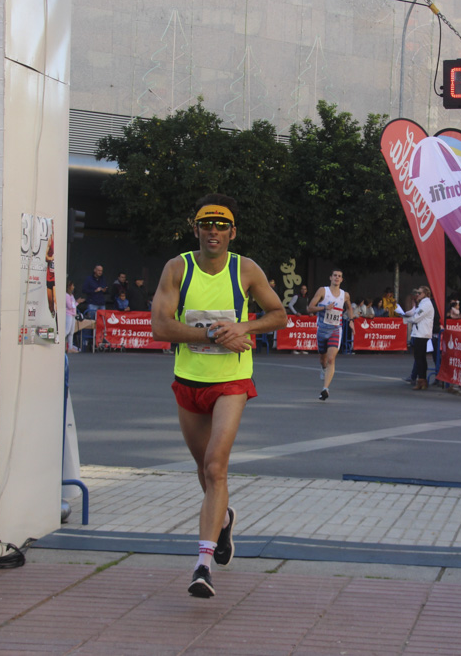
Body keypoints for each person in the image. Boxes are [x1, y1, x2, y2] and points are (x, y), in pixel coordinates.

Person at [149, 194, 286, 600]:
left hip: (231, 381)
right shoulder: (178, 268)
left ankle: (202, 565)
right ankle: (223, 518)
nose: (213, 230)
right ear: (196, 229)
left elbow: (278, 315)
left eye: (221, 224)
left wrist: (243, 328)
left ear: (232, 232)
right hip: (189, 380)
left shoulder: (246, 270)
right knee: (203, 470)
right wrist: (209, 333)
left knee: (215, 467)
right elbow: (160, 326)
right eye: (206, 223)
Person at [307, 269, 350, 401]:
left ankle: (325, 389)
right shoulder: (322, 291)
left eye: (339, 276)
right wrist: (324, 307)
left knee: (331, 358)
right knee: (323, 358)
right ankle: (323, 367)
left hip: (336, 329)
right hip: (322, 329)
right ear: (330, 277)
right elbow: (310, 308)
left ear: (342, 280)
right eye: (335, 276)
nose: (337, 278)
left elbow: (349, 308)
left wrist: (352, 320)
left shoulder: (345, 295)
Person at [402, 285, 435, 390]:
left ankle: (422, 380)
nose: (417, 294)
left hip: (422, 334)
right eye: (417, 293)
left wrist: (405, 318)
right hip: (419, 333)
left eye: (419, 293)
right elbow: (415, 314)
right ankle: (421, 380)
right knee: (419, 357)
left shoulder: (426, 304)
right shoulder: (422, 304)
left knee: (420, 358)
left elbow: (416, 318)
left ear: (425, 294)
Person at [65, 280, 82, 353]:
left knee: (71, 332)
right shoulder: (66, 295)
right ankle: (61, 345)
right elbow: (69, 306)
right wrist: (77, 302)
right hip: (68, 314)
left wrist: (76, 303)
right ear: (69, 286)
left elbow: (73, 305)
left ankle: (70, 347)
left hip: (72, 314)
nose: (73, 287)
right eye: (72, 286)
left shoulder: (71, 295)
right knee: (67, 330)